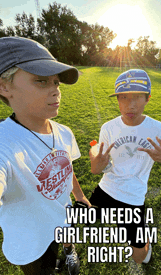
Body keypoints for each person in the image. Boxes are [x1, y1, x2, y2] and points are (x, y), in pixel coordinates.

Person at [0, 36, 91, 275]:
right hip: (31, 242)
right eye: (41, 81)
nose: (55, 91)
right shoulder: (4, 143)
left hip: (62, 212)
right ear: (4, 86)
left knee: (66, 231)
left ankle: (69, 251)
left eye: (56, 82)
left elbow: (66, 167)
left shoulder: (64, 132)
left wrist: (79, 196)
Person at [89, 69, 161, 264]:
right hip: (107, 187)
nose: (130, 105)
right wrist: (97, 162)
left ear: (148, 98)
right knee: (85, 218)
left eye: (137, 97)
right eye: (123, 97)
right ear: (117, 100)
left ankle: (146, 244)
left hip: (133, 196)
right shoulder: (108, 127)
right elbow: (99, 165)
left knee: (139, 256)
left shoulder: (158, 129)